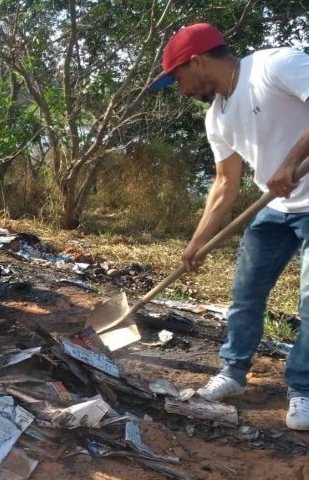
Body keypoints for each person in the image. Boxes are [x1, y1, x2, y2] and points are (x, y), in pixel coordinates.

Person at [152, 22, 309, 430]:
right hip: (276, 207)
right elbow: (224, 184)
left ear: (198, 60)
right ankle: (233, 373)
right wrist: (197, 242)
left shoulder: (275, 66)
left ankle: (303, 391)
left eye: (178, 78)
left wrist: (291, 161)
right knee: (245, 293)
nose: (180, 89)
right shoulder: (217, 118)